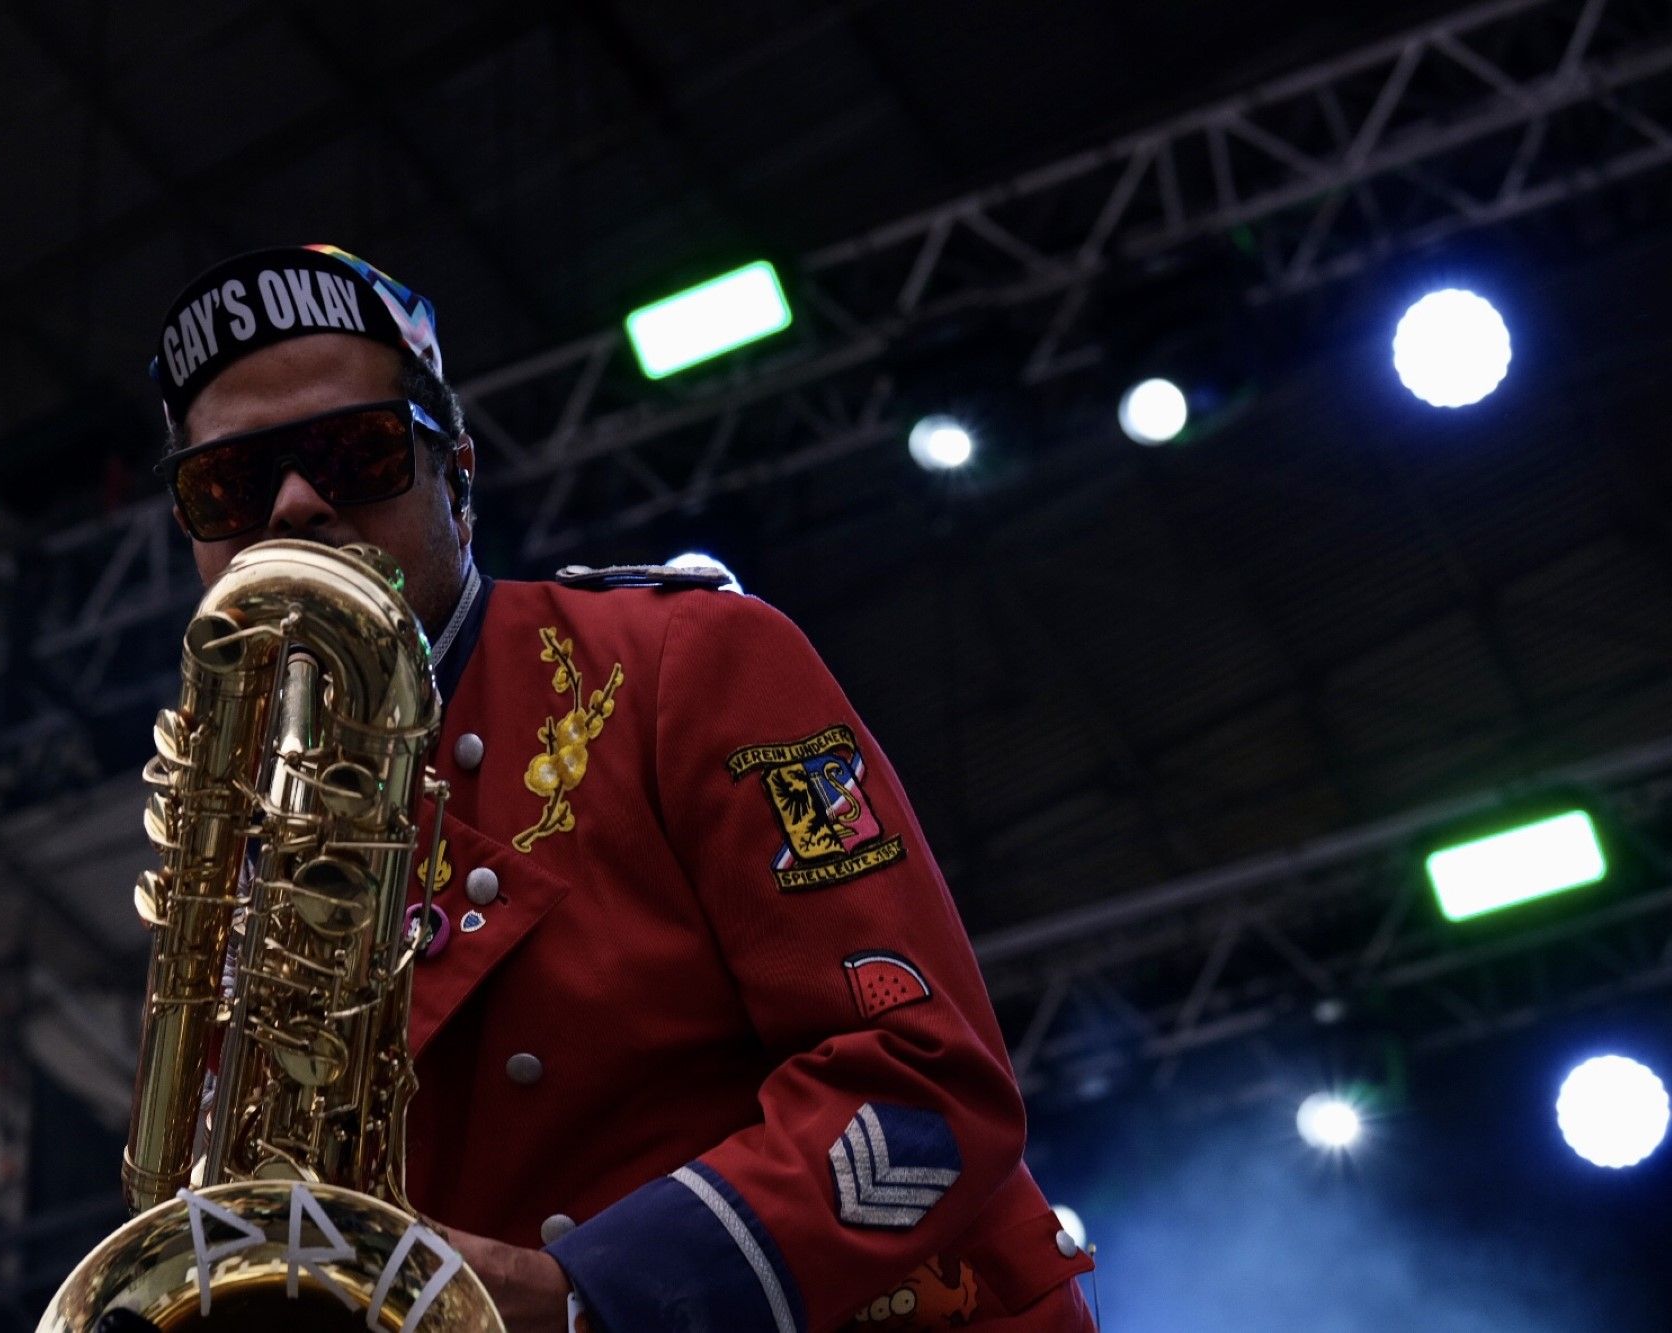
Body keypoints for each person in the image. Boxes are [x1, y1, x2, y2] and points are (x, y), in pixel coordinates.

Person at [149, 245, 1097, 1332]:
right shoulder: (238, 857)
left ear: (459, 477)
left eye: (353, 453)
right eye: (225, 483)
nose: (294, 505)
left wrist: (582, 1297)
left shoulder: (687, 659)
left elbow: (926, 1088)